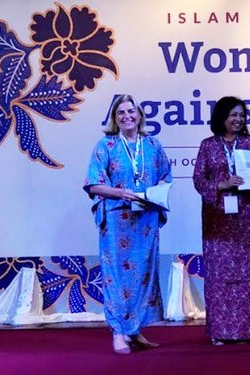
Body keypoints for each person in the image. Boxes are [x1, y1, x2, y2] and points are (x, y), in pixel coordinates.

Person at [83, 94, 172, 354]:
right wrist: (119, 193)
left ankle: (135, 330)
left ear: (139, 115)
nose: (126, 116)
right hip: (116, 220)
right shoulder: (105, 146)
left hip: (145, 220)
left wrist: (156, 194)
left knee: (143, 275)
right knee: (117, 278)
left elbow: (166, 177)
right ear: (114, 118)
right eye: (120, 113)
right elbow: (93, 183)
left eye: (131, 111)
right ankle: (118, 332)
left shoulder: (153, 145)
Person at [192, 96, 250, 346]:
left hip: (247, 216)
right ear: (221, 117)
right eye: (232, 115)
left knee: (248, 272)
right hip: (218, 218)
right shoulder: (208, 145)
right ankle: (221, 332)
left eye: (241, 115)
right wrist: (221, 184)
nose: (237, 119)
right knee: (220, 274)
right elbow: (198, 180)